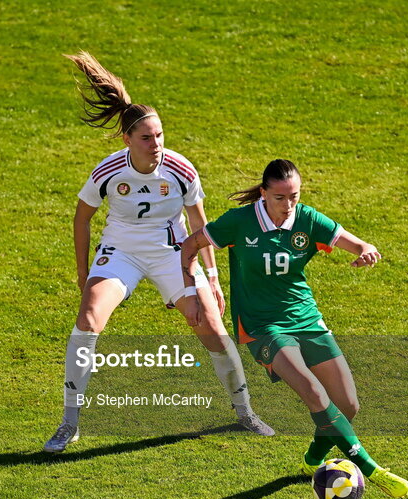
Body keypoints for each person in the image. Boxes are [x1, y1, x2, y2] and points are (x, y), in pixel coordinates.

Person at [44, 51, 273, 453]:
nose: (156, 144)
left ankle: (245, 413)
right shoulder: (109, 171)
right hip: (122, 251)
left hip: (174, 254)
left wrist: (213, 279)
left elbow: (202, 228)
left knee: (213, 329)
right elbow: (81, 220)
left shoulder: (181, 170)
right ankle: (69, 423)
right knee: (88, 321)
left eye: (160, 135)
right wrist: (83, 275)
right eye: (147, 137)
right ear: (127, 139)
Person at [178, 159, 408, 498]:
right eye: (280, 197)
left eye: (294, 197)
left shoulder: (307, 219)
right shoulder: (239, 222)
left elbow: (351, 240)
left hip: (304, 317)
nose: (288, 206)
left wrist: (366, 250)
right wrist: (196, 288)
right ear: (263, 193)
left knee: (347, 406)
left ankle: (313, 459)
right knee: (313, 393)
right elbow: (189, 246)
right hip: (261, 325)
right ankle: (371, 468)